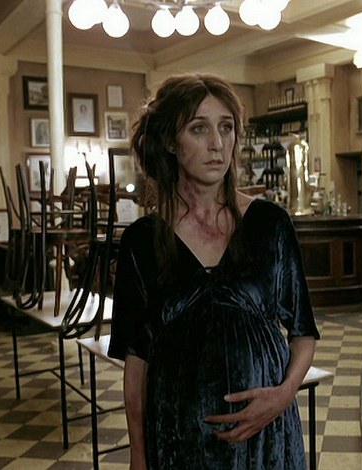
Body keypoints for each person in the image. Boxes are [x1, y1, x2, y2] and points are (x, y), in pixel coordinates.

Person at [107, 73, 320, 469]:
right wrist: (138, 456)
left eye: (226, 128)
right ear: (171, 142)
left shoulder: (270, 224)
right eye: (198, 128)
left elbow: (303, 334)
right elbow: (136, 365)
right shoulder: (142, 240)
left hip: (265, 438)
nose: (217, 143)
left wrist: (284, 394)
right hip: (179, 440)